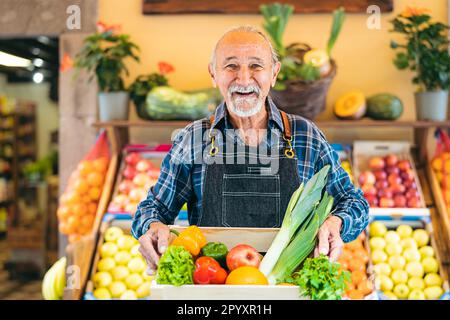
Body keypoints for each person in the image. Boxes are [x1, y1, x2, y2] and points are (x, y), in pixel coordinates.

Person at [132, 26, 369, 274]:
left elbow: (354, 201)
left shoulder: (305, 136)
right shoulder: (194, 139)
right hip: (214, 288)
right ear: (214, 74)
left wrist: (336, 221)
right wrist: (152, 226)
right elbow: (152, 208)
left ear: (274, 73)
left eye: (256, 66)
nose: (244, 79)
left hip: (290, 289)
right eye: (231, 66)